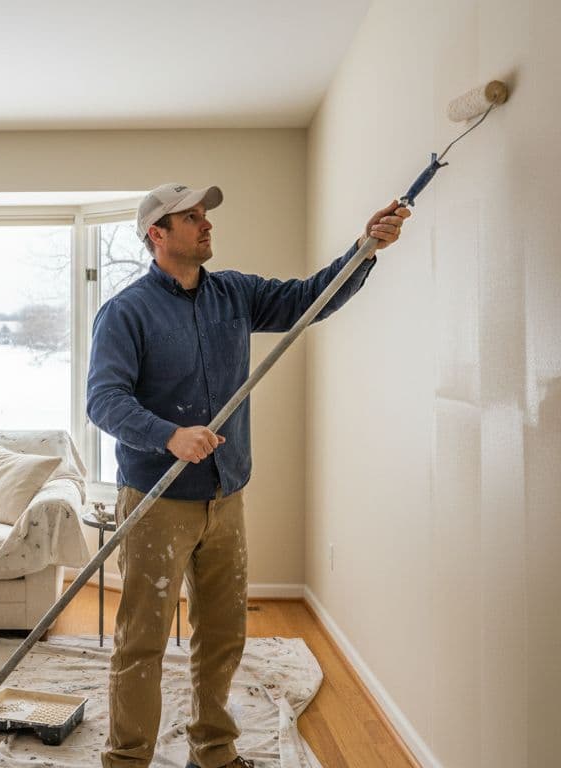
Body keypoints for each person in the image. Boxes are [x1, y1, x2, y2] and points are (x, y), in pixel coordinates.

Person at [86, 183, 408, 768]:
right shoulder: (126, 312)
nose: (205, 224)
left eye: (205, 215)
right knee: (142, 639)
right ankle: (127, 759)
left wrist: (366, 248)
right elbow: (103, 400)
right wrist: (169, 434)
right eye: (190, 217)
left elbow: (314, 297)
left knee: (224, 632)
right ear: (157, 235)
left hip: (225, 493)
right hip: (157, 500)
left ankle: (212, 751)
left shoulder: (233, 294)